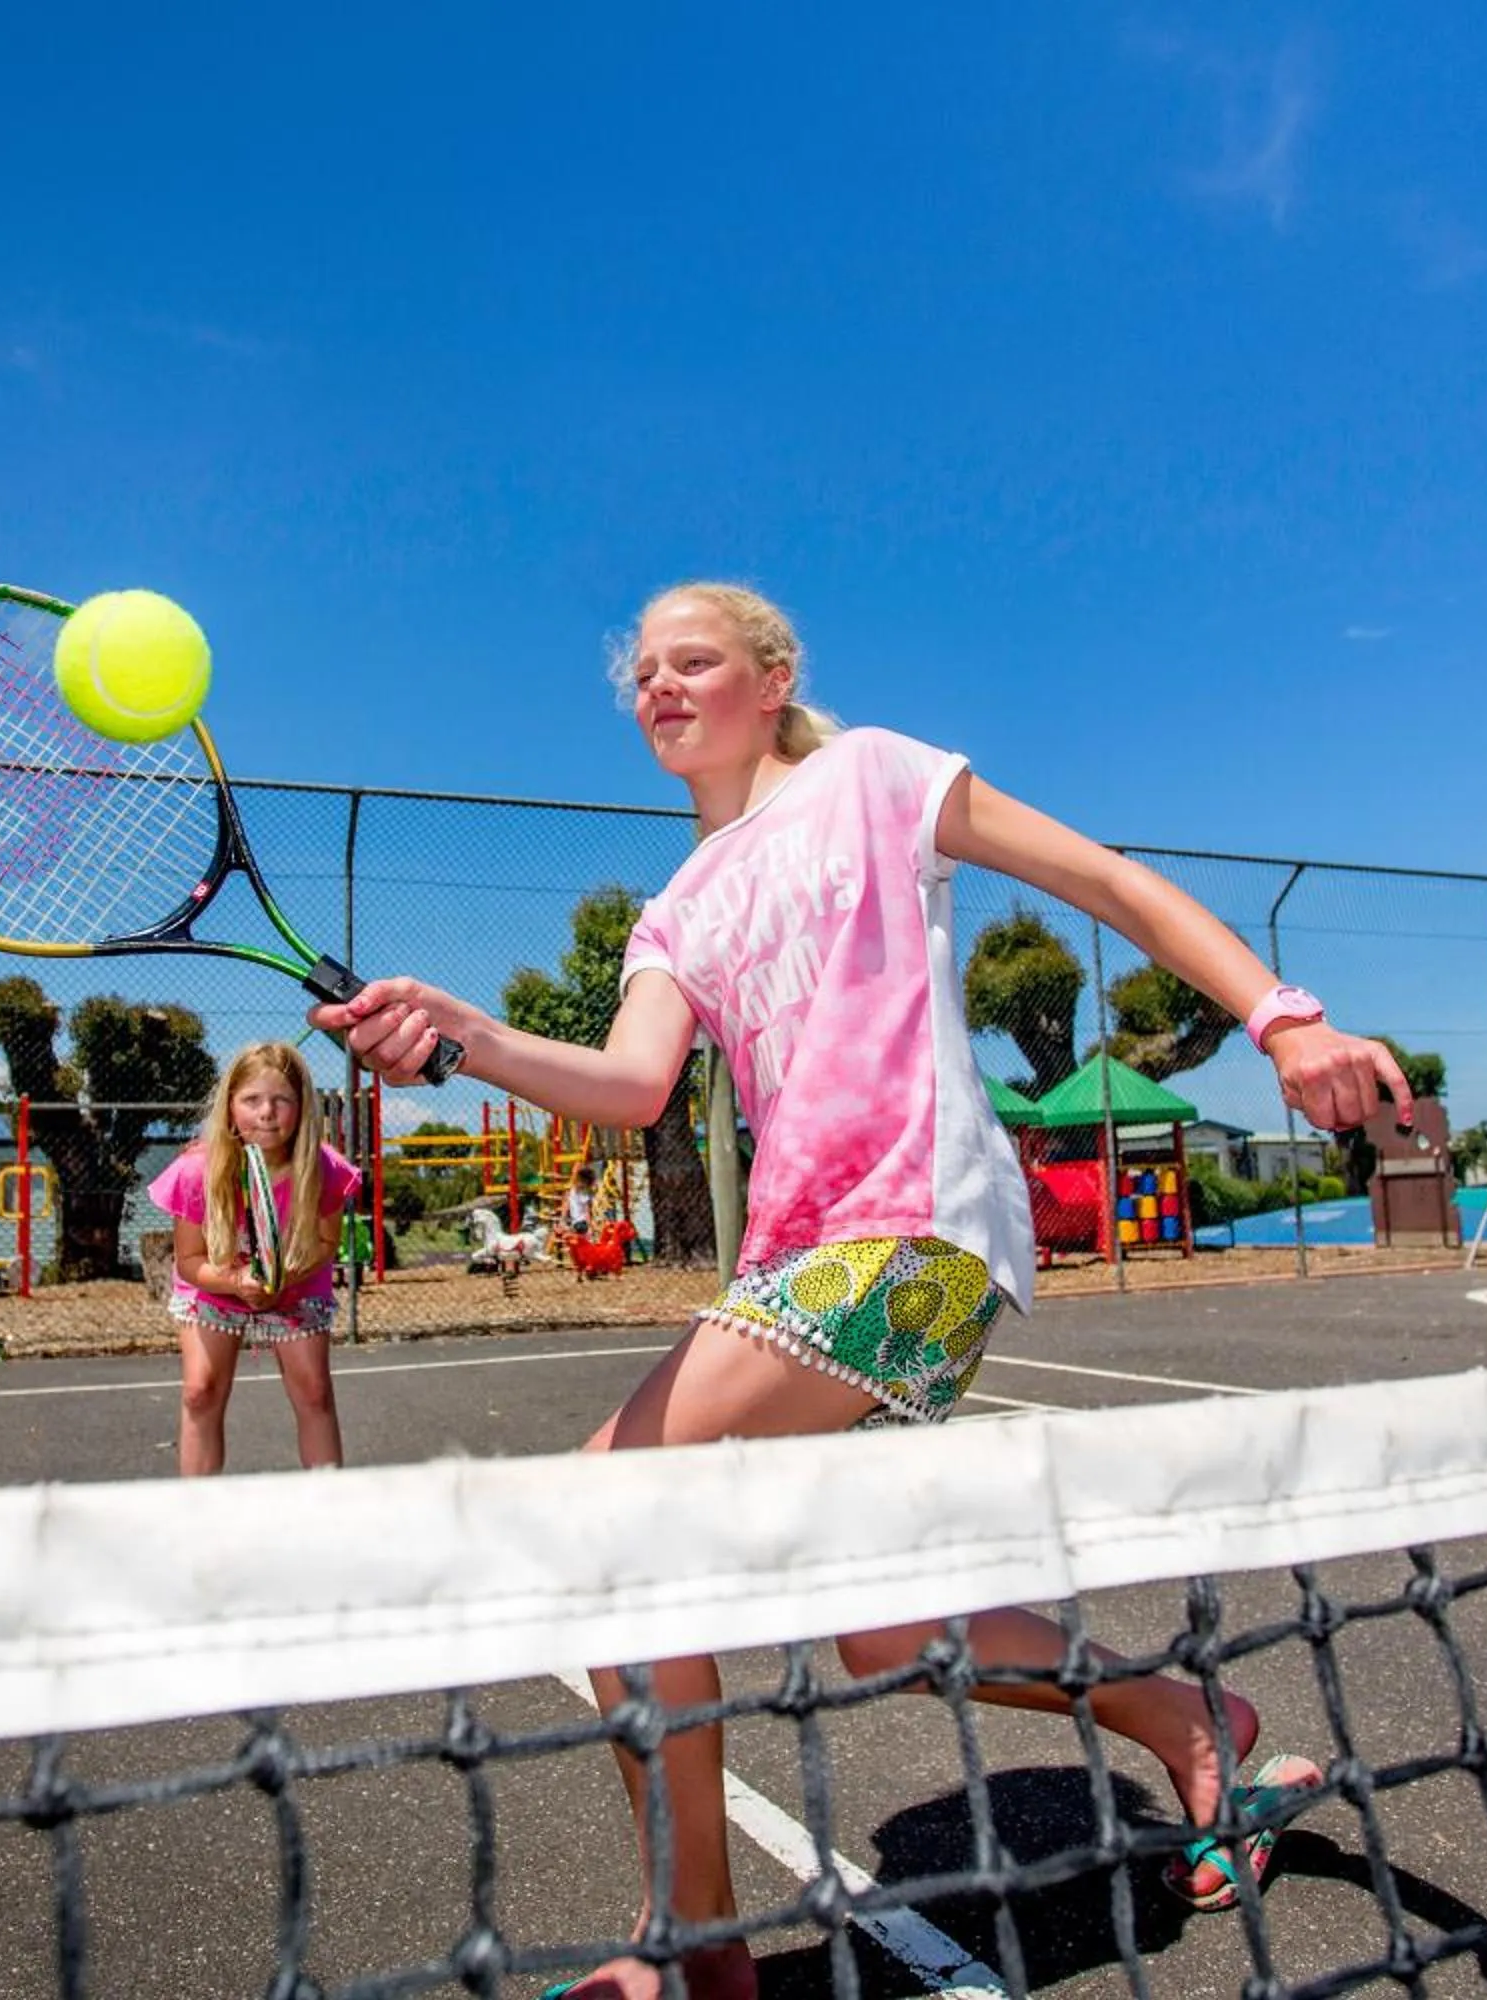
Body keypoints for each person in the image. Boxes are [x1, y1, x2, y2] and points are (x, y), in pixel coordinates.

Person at [316, 582, 1415, 2000]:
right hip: (797, 1263)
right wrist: (463, 1035)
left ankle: (692, 1958)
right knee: (888, 1626)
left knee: (609, 1498)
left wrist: (1282, 1016)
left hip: (915, 1235)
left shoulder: (876, 778)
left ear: (771, 680)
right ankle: (1192, 1720)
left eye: (691, 661)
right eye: (641, 674)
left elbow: (1104, 880)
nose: (658, 687)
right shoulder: (677, 911)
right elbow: (628, 1086)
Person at [143, 1040, 363, 1476]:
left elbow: (324, 1245)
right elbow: (189, 1260)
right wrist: (238, 1281)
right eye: (252, 1100)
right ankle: (196, 1512)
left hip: (295, 1286)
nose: (267, 1112)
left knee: (314, 1393)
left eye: (282, 1100)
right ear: (230, 1107)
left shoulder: (325, 1169)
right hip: (216, 1287)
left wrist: (281, 1278)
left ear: (302, 1109)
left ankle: (332, 1508)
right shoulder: (196, 1170)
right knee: (200, 1392)